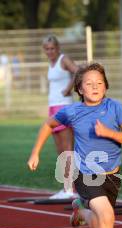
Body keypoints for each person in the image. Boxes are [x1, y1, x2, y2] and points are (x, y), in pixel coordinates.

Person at [27, 63, 122, 228]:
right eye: (88, 83)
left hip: (112, 175)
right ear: (79, 89)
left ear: (106, 86)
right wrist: (35, 151)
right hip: (86, 174)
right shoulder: (72, 112)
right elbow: (49, 124)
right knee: (107, 216)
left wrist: (108, 133)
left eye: (99, 82)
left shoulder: (116, 108)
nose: (94, 86)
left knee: (99, 223)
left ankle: (80, 208)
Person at [43, 35, 78, 199]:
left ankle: (71, 189)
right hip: (53, 108)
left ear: (58, 48)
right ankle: (66, 188)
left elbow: (78, 71)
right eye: (47, 49)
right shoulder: (50, 64)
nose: (50, 51)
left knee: (67, 149)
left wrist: (68, 88)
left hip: (64, 107)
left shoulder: (64, 59)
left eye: (52, 48)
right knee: (60, 150)